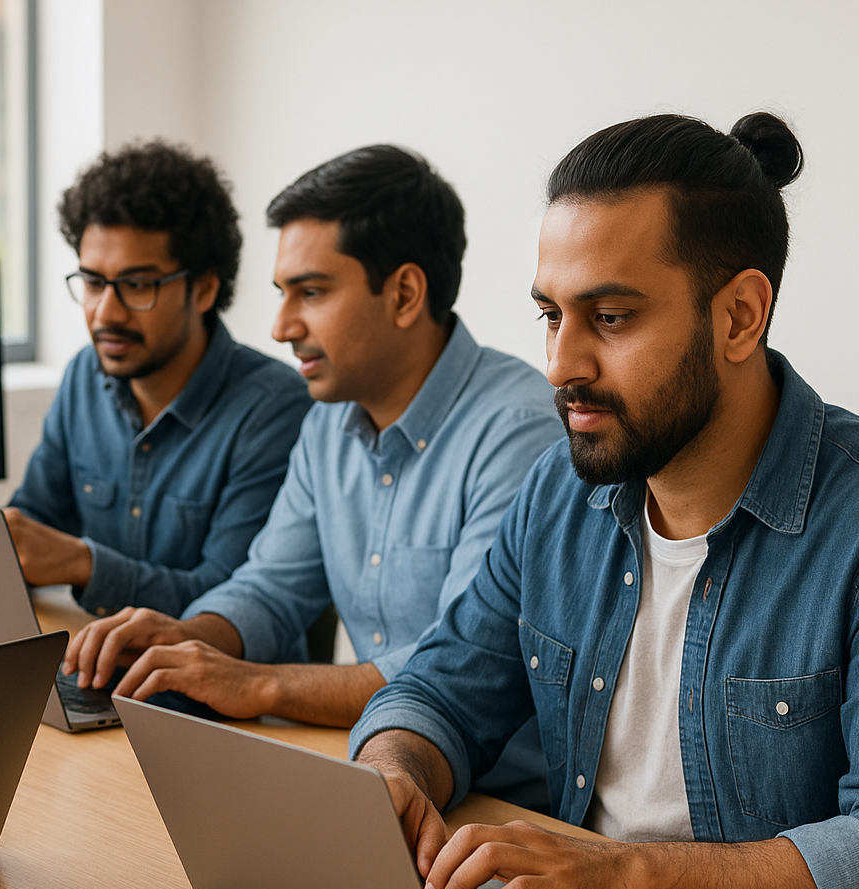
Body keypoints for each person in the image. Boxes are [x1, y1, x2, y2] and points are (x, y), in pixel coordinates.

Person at [350, 113, 859, 889]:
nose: (560, 363)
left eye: (611, 318)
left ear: (739, 316)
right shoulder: (559, 491)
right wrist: (394, 771)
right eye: (551, 314)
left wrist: (628, 876)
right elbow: (439, 691)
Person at [66, 145, 564, 806]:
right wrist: (186, 640)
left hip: (503, 808)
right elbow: (272, 588)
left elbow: (454, 668)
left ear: (406, 294)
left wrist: (259, 684)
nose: (280, 326)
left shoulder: (517, 432)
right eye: (281, 293)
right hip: (370, 768)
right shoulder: (329, 421)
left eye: (312, 292)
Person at [6, 141, 312, 617]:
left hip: (213, 686)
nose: (106, 313)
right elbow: (29, 529)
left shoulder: (273, 410)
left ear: (205, 288)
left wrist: (84, 563)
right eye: (92, 282)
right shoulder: (84, 378)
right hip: (99, 666)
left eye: (137, 285)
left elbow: (233, 605)